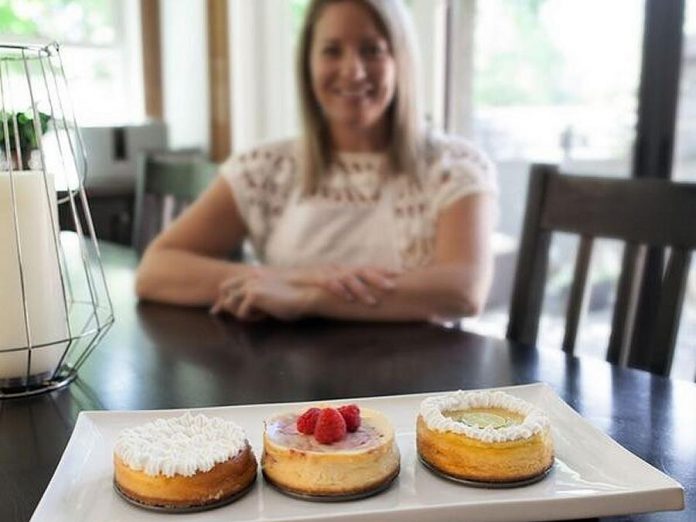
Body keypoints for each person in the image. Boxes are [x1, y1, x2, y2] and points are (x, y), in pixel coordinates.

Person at [135, 0, 497, 322]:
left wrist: (309, 297)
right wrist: (288, 278)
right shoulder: (265, 167)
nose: (353, 70)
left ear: (400, 62)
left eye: (372, 50)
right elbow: (155, 271)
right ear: (308, 65)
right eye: (332, 51)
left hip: (419, 386)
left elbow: (463, 290)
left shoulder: (457, 166)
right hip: (285, 383)